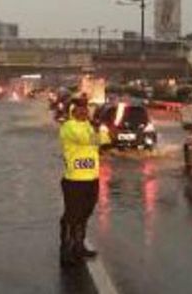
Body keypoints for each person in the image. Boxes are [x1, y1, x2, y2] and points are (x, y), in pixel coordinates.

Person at [59, 98, 111, 266]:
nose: (84, 112)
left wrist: (101, 135)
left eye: (85, 109)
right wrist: (101, 135)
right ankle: (66, 250)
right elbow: (90, 139)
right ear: (73, 112)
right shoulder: (69, 126)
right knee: (71, 216)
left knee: (84, 215)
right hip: (74, 180)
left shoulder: (89, 126)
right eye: (80, 110)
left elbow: (105, 140)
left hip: (91, 179)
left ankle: (79, 247)